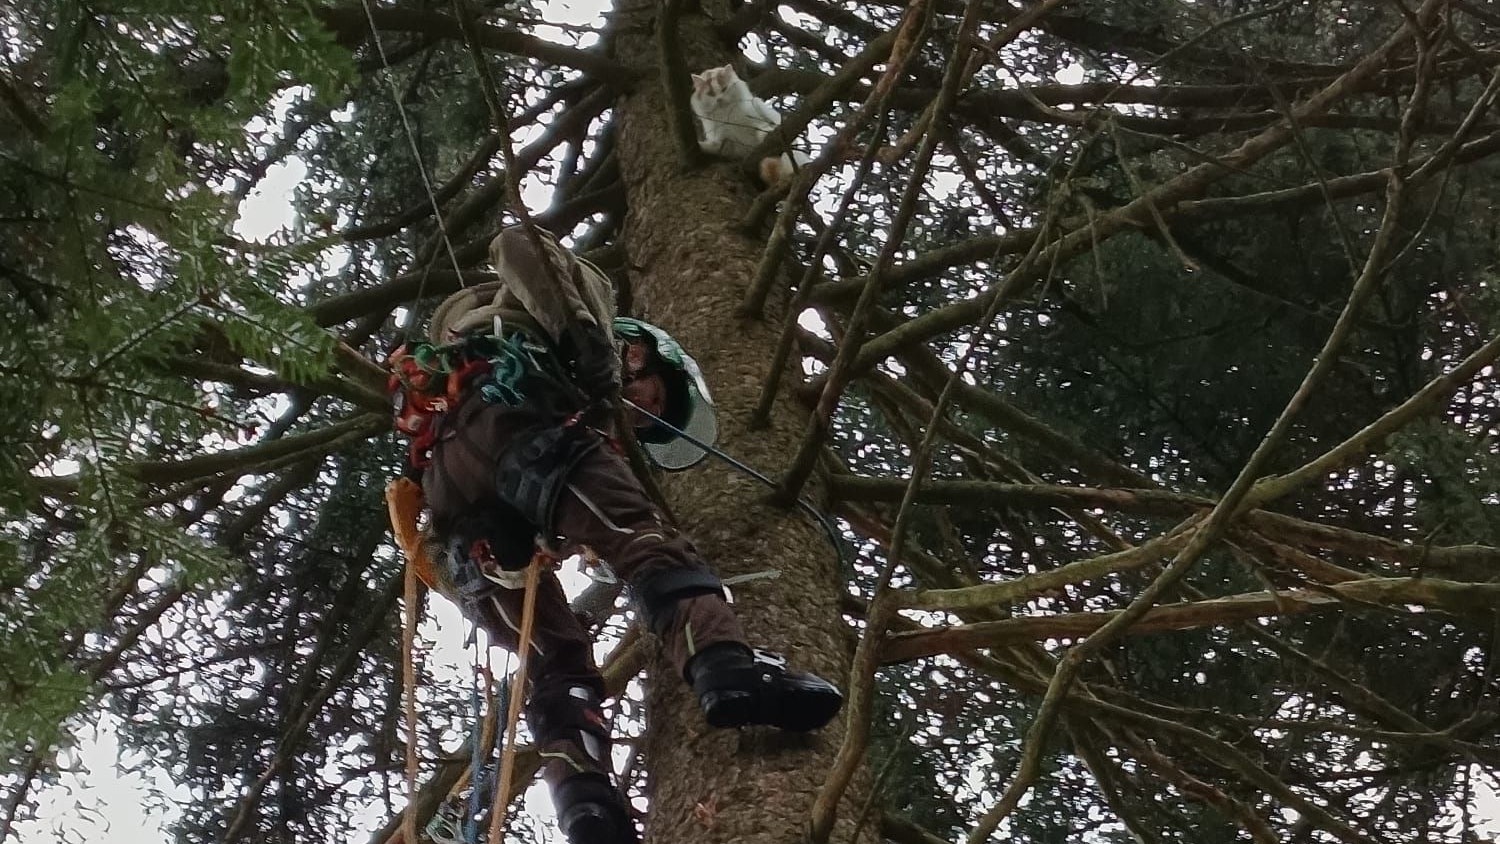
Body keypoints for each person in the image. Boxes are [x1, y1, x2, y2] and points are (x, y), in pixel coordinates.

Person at [388, 225, 842, 844]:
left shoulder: (488, 372)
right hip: (517, 429)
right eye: (649, 401)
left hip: (455, 490)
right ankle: (725, 667)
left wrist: (534, 545)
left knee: (556, 658)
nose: (638, 417)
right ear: (635, 353)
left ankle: (585, 800)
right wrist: (584, 340)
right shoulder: (583, 324)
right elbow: (520, 242)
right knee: (645, 541)